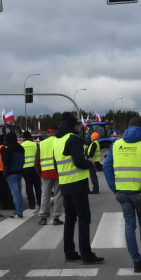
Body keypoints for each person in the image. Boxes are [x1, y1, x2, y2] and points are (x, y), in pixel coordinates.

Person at [103, 117, 141, 272]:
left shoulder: (117, 144)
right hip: (139, 193)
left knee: (129, 225)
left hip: (122, 193)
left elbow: (106, 167)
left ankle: (137, 261)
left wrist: (115, 188)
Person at [54, 112, 102, 263]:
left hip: (64, 184)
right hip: (77, 184)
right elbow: (79, 162)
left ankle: (69, 252)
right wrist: (90, 163)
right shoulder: (73, 139)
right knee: (83, 219)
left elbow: (57, 164)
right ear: (73, 126)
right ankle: (86, 255)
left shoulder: (57, 140)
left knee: (69, 218)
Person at [37, 129, 64, 226]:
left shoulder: (42, 143)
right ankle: (56, 218)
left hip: (45, 173)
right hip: (58, 172)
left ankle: (43, 218)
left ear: (48, 133)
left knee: (45, 195)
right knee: (58, 195)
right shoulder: (61, 142)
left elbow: (37, 160)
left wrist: (40, 172)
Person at [0, 131, 26, 218]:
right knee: (18, 192)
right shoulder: (21, 148)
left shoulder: (8, 149)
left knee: (15, 193)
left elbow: (6, 163)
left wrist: (5, 173)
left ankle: (19, 212)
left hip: (11, 174)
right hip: (20, 172)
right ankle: (20, 210)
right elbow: (23, 161)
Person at [21, 131, 42, 209]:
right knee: (38, 186)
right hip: (35, 168)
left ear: (23, 138)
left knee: (29, 186)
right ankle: (40, 203)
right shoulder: (36, 145)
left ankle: (32, 204)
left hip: (25, 169)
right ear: (30, 137)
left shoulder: (21, 146)